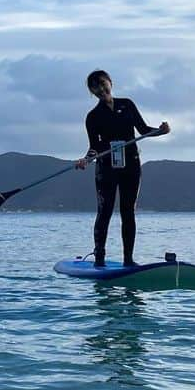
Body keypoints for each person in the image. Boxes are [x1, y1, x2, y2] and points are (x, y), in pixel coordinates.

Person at [75, 70, 169, 268]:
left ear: (110, 82)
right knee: (105, 211)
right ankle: (99, 259)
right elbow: (94, 147)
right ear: (91, 92)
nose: (100, 89)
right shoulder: (93, 116)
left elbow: (143, 130)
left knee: (128, 212)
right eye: (95, 87)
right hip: (106, 169)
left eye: (102, 83)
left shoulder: (127, 104)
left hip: (131, 166)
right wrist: (86, 160)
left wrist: (160, 131)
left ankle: (128, 260)